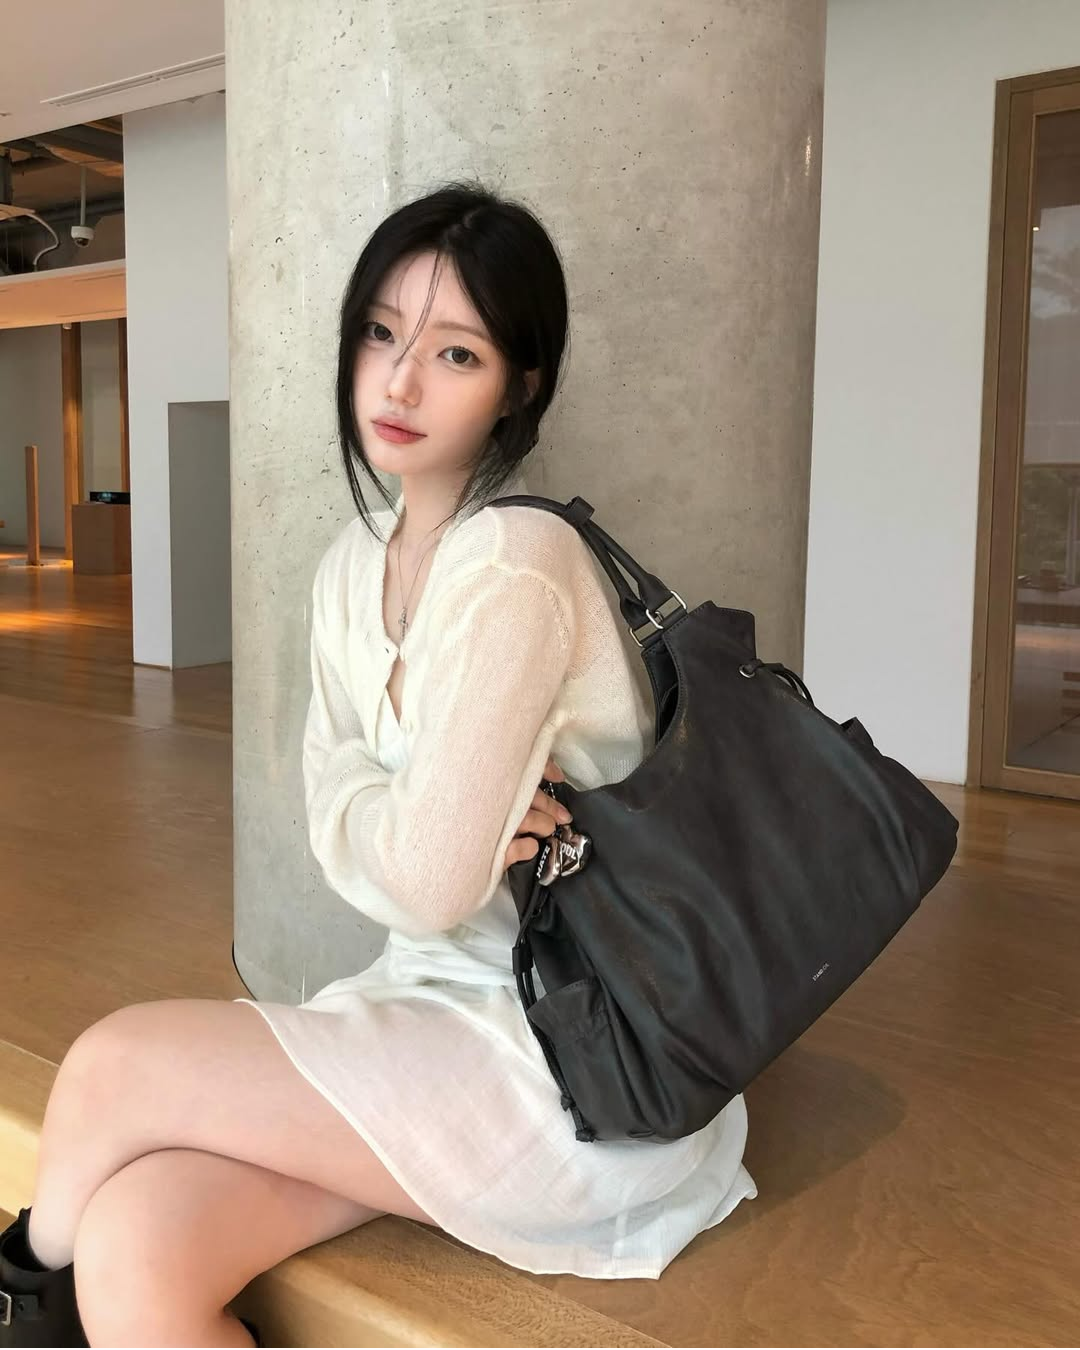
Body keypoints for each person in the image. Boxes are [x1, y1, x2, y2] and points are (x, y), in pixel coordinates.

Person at [0, 181, 755, 1349]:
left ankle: (14, 1295)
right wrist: (394, 816)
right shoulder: (351, 568)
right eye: (380, 333)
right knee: (137, 1246)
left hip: (562, 1055)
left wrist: (392, 823)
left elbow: (427, 882)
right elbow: (350, 828)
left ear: (520, 387)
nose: (400, 384)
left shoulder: (518, 561)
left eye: (455, 353)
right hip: (417, 1004)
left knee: (111, 1069)